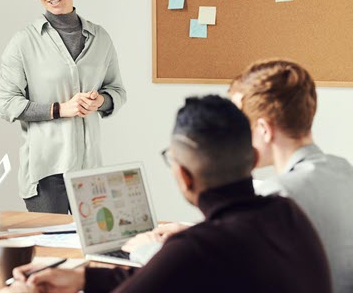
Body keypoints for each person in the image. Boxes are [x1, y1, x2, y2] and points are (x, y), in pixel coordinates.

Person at [0, 95, 331, 293]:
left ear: (183, 176)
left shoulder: (196, 249)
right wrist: (80, 276)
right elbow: (164, 276)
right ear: (255, 159)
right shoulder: (288, 214)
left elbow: (174, 268)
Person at [124, 59, 353, 293]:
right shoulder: (344, 170)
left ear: (263, 129)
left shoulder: (277, 200)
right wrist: (189, 232)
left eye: (241, 125)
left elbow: (210, 265)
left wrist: (147, 248)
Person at [0, 0, 127, 213]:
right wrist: (60, 109)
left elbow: (117, 90)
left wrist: (99, 101)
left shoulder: (100, 38)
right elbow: (7, 104)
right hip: (46, 172)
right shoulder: (23, 43)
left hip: (90, 169)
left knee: (96, 247)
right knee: (51, 249)